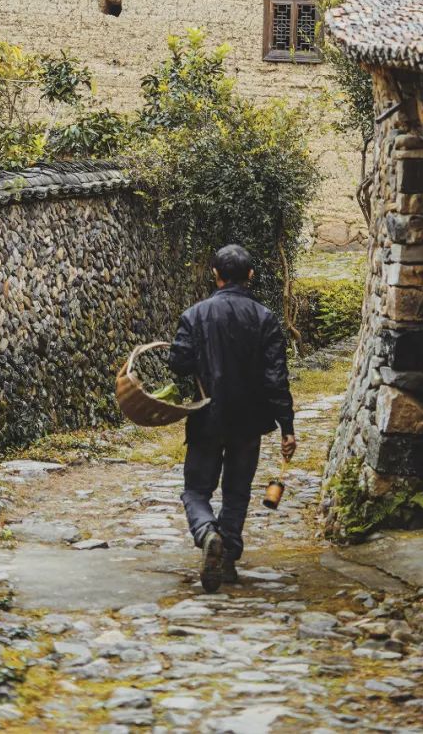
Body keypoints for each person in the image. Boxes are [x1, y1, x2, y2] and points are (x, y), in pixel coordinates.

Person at [167, 242, 296, 593]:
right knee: (237, 492)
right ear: (251, 276)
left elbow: (178, 363)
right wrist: (287, 426)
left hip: (207, 417)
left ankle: (207, 532)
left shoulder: (194, 315)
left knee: (195, 490)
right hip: (249, 423)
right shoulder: (265, 318)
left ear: (216, 275)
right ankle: (226, 559)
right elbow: (276, 378)